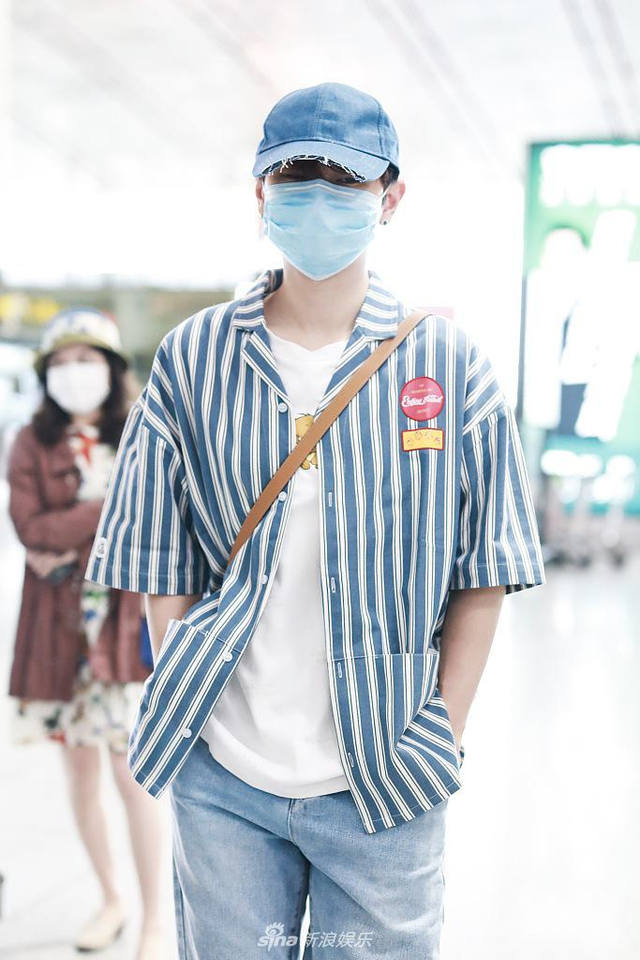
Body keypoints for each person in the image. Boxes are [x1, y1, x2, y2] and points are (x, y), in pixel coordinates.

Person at [85, 83, 545, 959]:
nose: (319, 198)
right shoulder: (194, 359)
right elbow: (158, 552)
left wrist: (441, 736)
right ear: (260, 194)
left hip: (385, 774)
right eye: (296, 178)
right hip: (225, 777)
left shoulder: (449, 368)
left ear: (391, 198)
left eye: (346, 180)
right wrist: (195, 705)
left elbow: (486, 569)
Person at [7, 308, 167, 960]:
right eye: (63, 362)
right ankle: (110, 899)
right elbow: (30, 529)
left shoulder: (145, 429)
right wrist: (108, 510)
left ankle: (154, 919)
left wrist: (70, 527)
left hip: (129, 631)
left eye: (88, 359)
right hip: (60, 632)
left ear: (112, 367)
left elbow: (157, 515)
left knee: (133, 775)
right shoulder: (30, 441)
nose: (75, 372)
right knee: (78, 774)